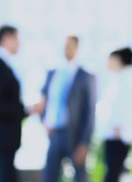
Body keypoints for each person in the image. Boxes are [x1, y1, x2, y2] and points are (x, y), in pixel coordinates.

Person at [39, 36, 96, 182]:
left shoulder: (86, 76)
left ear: (77, 48)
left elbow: (89, 112)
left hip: (75, 135)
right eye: (64, 46)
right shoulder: (53, 72)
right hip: (54, 133)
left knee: (80, 176)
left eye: (70, 46)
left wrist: (84, 142)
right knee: (49, 175)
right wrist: (44, 121)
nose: (67, 49)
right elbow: (44, 100)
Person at [0, 25, 33, 182]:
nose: (19, 44)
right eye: (16, 38)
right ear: (6, 38)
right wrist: (25, 109)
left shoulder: (6, 68)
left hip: (5, 139)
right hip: (0, 138)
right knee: (5, 177)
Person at [100, 47, 132, 182]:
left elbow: (128, 109)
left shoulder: (126, 81)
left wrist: (119, 129)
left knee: (112, 175)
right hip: (114, 136)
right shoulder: (118, 79)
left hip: (118, 137)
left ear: (117, 59)